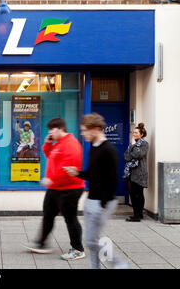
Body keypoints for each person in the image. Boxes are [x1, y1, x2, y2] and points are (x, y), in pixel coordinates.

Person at [65, 113, 128, 269]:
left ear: (97, 129)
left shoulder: (109, 150)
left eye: (85, 130)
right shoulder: (93, 147)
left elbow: (113, 179)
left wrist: (104, 203)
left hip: (102, 202)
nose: (82, 133)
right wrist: (77, 173)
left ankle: (120, 265)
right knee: (93, 241)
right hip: (91, 199)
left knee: (91, 241)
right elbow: (92, 174)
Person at [23, 117, 85, 261]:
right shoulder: (58, 144)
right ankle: (41, 244)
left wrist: (52, 179)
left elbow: (68, 168)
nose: (50, 132)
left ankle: (78, 249)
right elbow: (51, 157)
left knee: (70, 219)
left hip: (70, 188)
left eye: (52, 129)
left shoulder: (71, 144)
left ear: (60, 129)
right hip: (55, 188)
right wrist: (47, 144)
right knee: (48, 215)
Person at [123, 123, 149, 222]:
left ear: (141, 134)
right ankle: (136, 214)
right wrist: (133, 147)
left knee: (139, 194)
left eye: (136, 132)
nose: (133, 134)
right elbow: (126, 156)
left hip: (139, 173)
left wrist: (133, 148)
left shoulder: (144, 144)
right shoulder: (132, 144)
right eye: (133, 132)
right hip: (130, 172)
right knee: (132, 194)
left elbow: (138, 154)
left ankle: (138, 215)